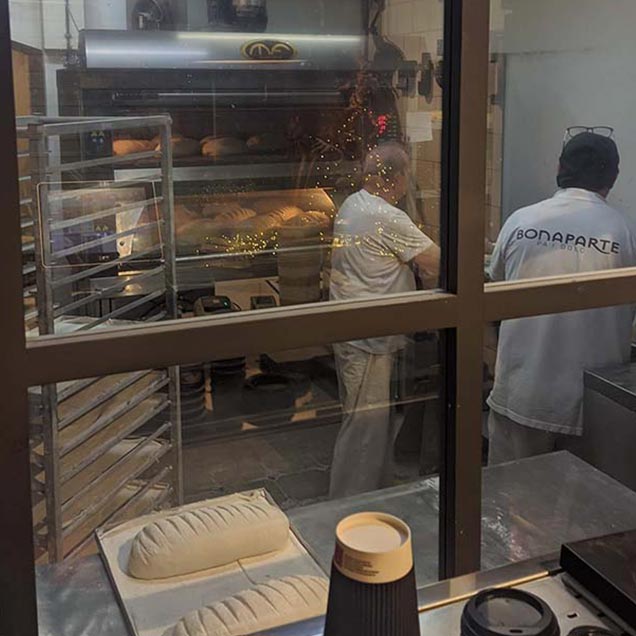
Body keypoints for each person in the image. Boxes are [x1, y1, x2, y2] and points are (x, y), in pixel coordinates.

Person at [487, 131, 636, 464]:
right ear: (612, 178)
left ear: (559, 167)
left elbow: (495, 284)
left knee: (510, 491)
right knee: (581, 494)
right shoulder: (626, 233)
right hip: (590, 405)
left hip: (522, 393)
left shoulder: (521, 221)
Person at [328, 142, 441, 498]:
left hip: (354, 328)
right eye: (408, 174)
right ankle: (350, 504)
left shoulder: (353, 203)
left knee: (368, 420)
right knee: (366, 426)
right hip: (369, 337)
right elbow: (436, 260)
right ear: (398, 177)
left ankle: (376, 492)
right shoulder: (386, 216)